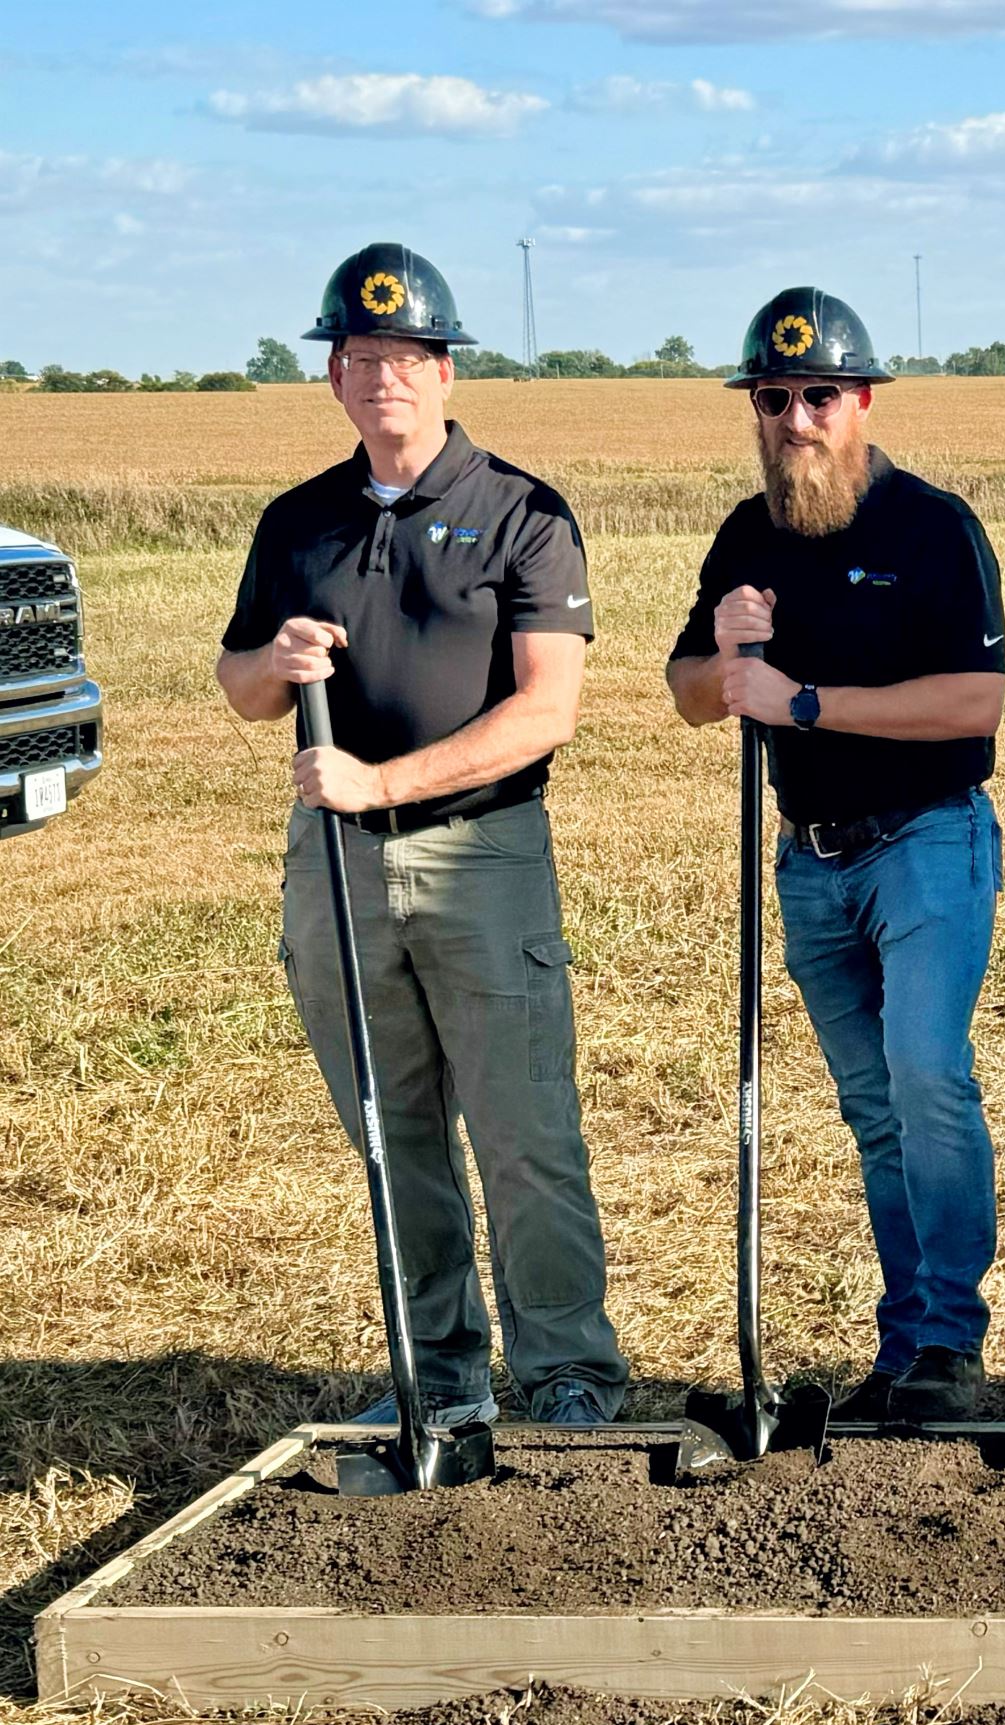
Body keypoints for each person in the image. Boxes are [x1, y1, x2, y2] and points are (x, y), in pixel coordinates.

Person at [214, 242, 627, 1428]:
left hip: (480, 856)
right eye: (360, 357)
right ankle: (441, 1377)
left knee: (524, 1133)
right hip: (332, 873)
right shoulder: (296, 523)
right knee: (395, 1142)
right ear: (333, 379)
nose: (383, 377)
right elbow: (241, 687)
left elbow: (547, 709)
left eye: (406, 356)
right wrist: (271, 664)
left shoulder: (523, 514)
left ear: (446, 372)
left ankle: (567, 1375)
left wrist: (378, 784)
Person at [666, 287, 1005, 1425]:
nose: (796, 417)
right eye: (774, 398)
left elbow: (974, 704)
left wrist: (801, 701)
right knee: (873, 1108)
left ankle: (952, 1342)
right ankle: (905, 1341)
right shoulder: (744, 536)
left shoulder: (932, 526)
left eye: (819, 395)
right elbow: (686, 697)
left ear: (860, 399)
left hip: (926, 839)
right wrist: (724, 666)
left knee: (925, 1070)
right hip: (808, 861)